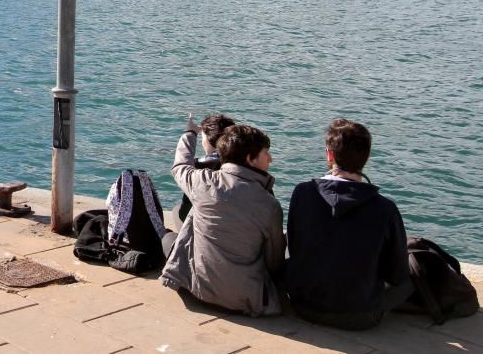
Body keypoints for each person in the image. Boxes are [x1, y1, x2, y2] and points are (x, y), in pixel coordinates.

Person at [285, 118, 411, 330]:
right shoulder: (385, 208)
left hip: (303, 305)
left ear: (329, 155)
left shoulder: (303, 192)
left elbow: (295, 246)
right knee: (410, 280)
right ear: (366, 157)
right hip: (360, 316)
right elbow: (397, 273)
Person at [161, 123, 285, 316]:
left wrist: (189, 133)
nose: (270, 158)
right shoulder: (269, 204)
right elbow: (274, 261)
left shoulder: (203, 181)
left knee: (169, 238)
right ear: (250, 159)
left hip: (198, 290)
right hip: (246, 299)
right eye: (265, 153)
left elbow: (180, 166)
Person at [172, 113, 235, 225]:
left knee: (176, 211)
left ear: (209, 140)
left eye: (203, 137)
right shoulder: (245, 167)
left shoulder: (199, 168)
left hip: (203, 230)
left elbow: (184, 214)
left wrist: (191, 133)